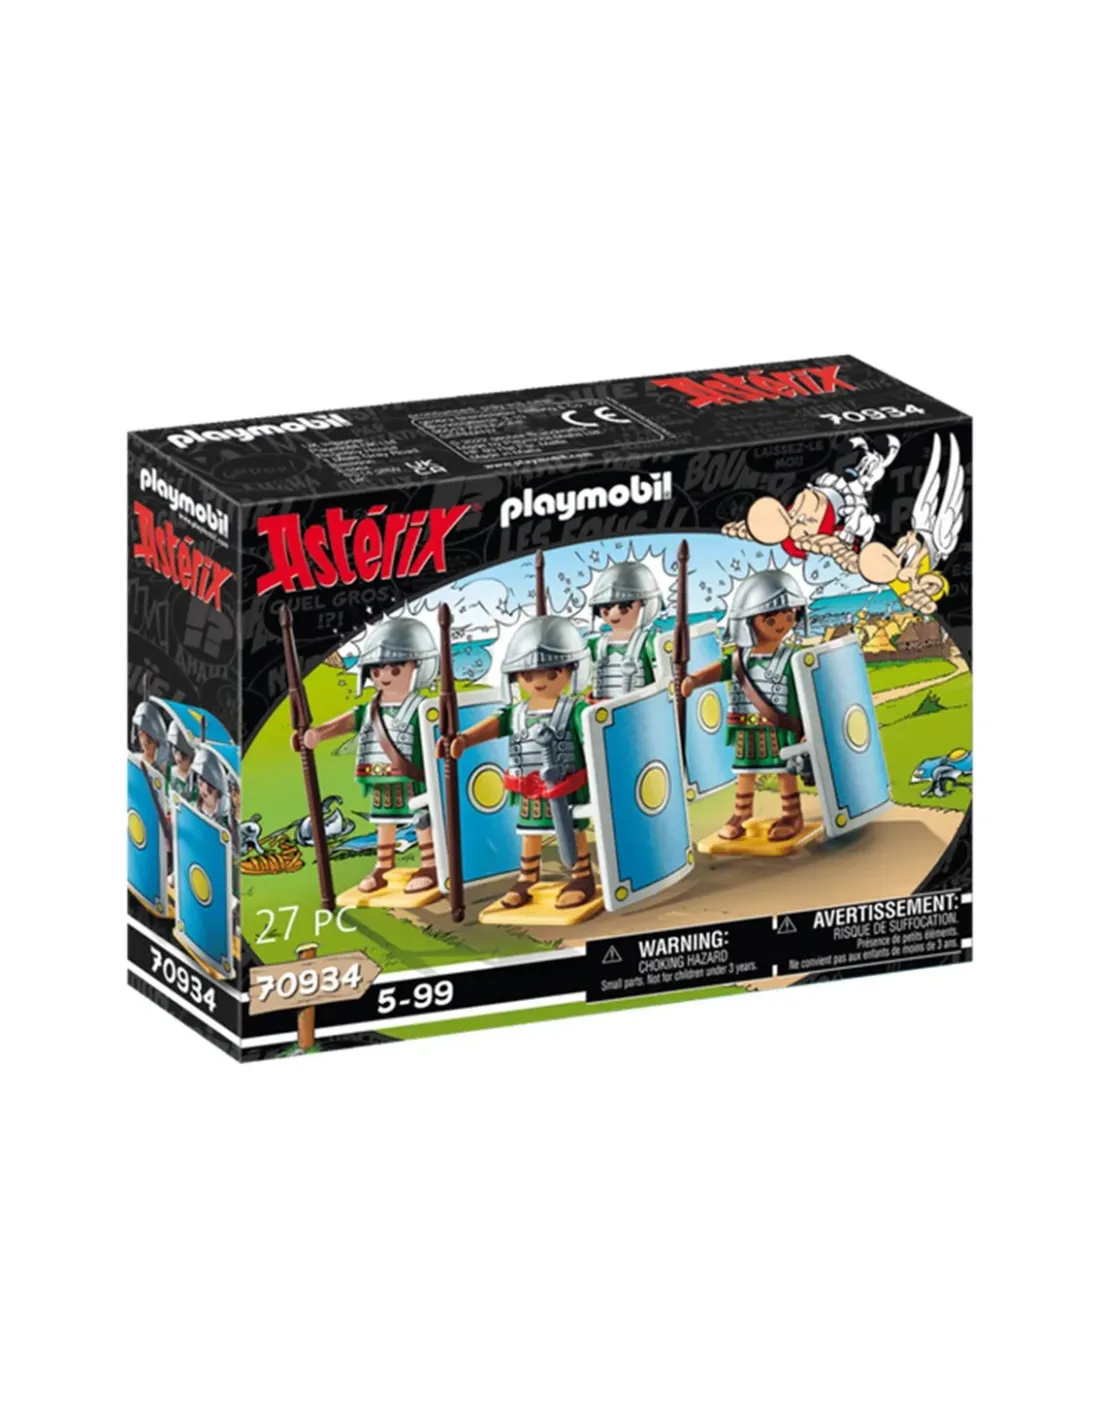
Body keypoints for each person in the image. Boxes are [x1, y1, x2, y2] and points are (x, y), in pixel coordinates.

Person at [443, 615, 596, 911]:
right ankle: (527, 878)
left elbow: (593, 734)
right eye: (528, 674)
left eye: (551, 673)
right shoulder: (516, 713)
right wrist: (464, 740)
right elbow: (494, 725)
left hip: (567, 788)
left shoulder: (574, 709)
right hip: (529, 788)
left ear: (571, 670)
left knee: (573, 829)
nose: (539, 682)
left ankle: (581, 876)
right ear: (515, 677)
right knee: (530, 831)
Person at [297, 618, 439, 895]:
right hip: (379, 775)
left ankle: (431, 866)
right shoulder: (372, 708)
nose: (384, 675)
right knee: (384, 819)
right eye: (377, 669)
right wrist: (318, 734)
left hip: (414, 777)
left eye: (395, 668)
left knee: (422, 819)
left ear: (417, 666)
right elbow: (348, 722)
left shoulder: (421, 707)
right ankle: (383, 866)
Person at [682, 569, 809, 843]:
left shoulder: (792, 659)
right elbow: (721, 670)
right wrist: (694, 680)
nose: (782, 624)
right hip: (745, 728)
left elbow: (806, 694)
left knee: (784, 770)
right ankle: (741, 814)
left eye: (789, 616)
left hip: (780, 728)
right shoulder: (741, 659)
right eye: (771, 618)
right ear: (748, 621)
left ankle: (792, 814)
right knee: (745, 771)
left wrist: (806, 730)